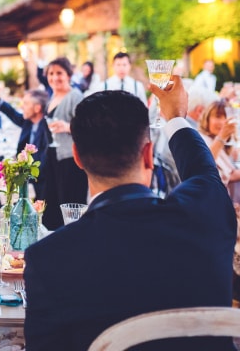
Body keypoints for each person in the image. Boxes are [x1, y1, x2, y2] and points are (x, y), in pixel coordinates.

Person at [24, 82, 236, 351]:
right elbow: (204, 172)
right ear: (148, 154)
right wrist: (175, 117)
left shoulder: (48, 259)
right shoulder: (206, 214)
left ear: (77, 157)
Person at [41, 57, 88, 230]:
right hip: (53, 158)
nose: (55, 78)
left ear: (68, 75)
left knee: (69, 204)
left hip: (70, 159)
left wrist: (67, 127)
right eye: (51, 73)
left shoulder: (75, 96)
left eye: (59, 73)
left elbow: (86, 126)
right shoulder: (52, 96)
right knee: (52, 205)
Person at [0, 89, 49, 200]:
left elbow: (43, 165)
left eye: (26, 103)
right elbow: (13, 114)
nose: (22, 107)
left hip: (38, 184)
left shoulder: (47, 129)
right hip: (27, 178)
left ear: (37, 108)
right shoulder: (29, 123)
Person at [198, 100, 240, 202]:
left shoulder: (223, 143)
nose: (223, 122)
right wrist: (222, 136)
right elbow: (205, 164)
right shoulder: (201, 139)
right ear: (207, 118)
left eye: (226, 117)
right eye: (218, 116)